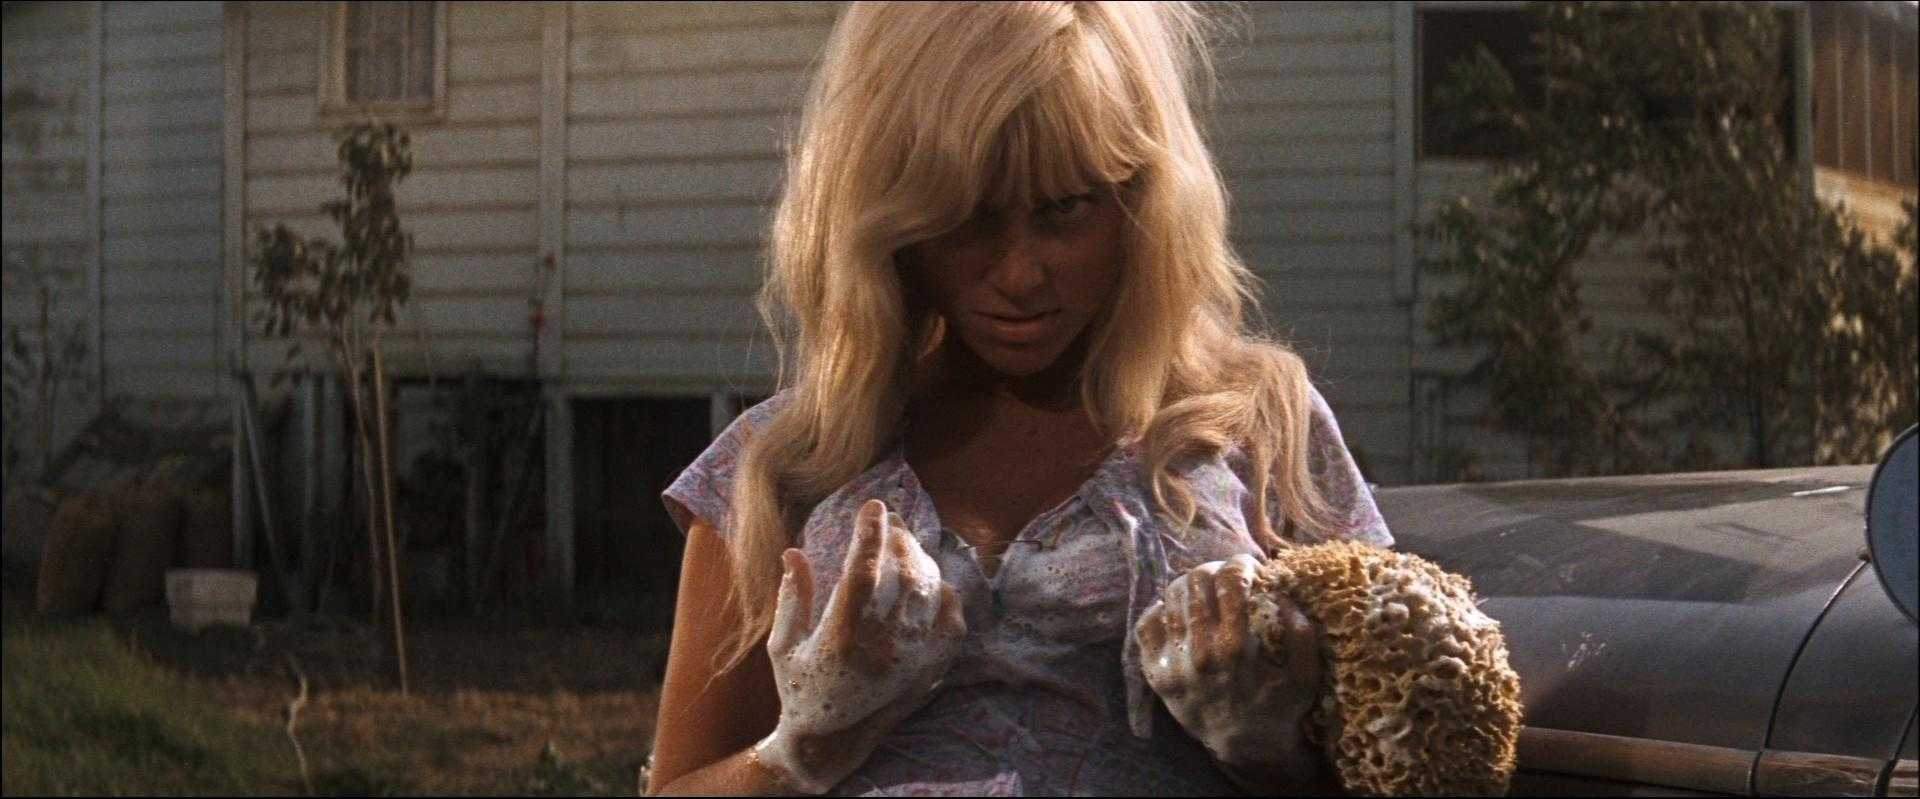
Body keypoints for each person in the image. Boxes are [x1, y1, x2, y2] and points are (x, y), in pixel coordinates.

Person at [644, 2, 1392, 795]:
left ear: (1144, 199)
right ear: (889, 217)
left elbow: (1414, 749)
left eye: (1066, 208)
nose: (1020, 274)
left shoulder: (1261, 426)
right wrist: (801, 750)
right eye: (969, 218)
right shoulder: (781, 466)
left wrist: (1272, 757)